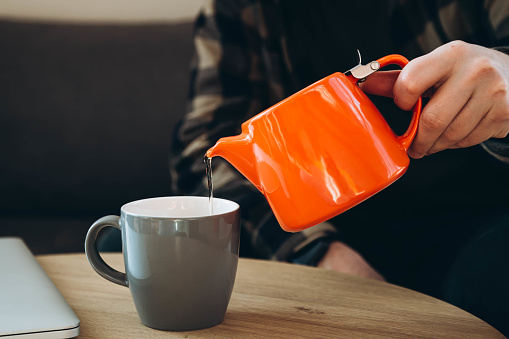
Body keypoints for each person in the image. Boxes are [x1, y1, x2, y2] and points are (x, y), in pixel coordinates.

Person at [170, 0, 509, 334]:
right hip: (333, 236)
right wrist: (317, 251)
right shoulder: (242, 10)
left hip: (478, 222)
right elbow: (203, 148)